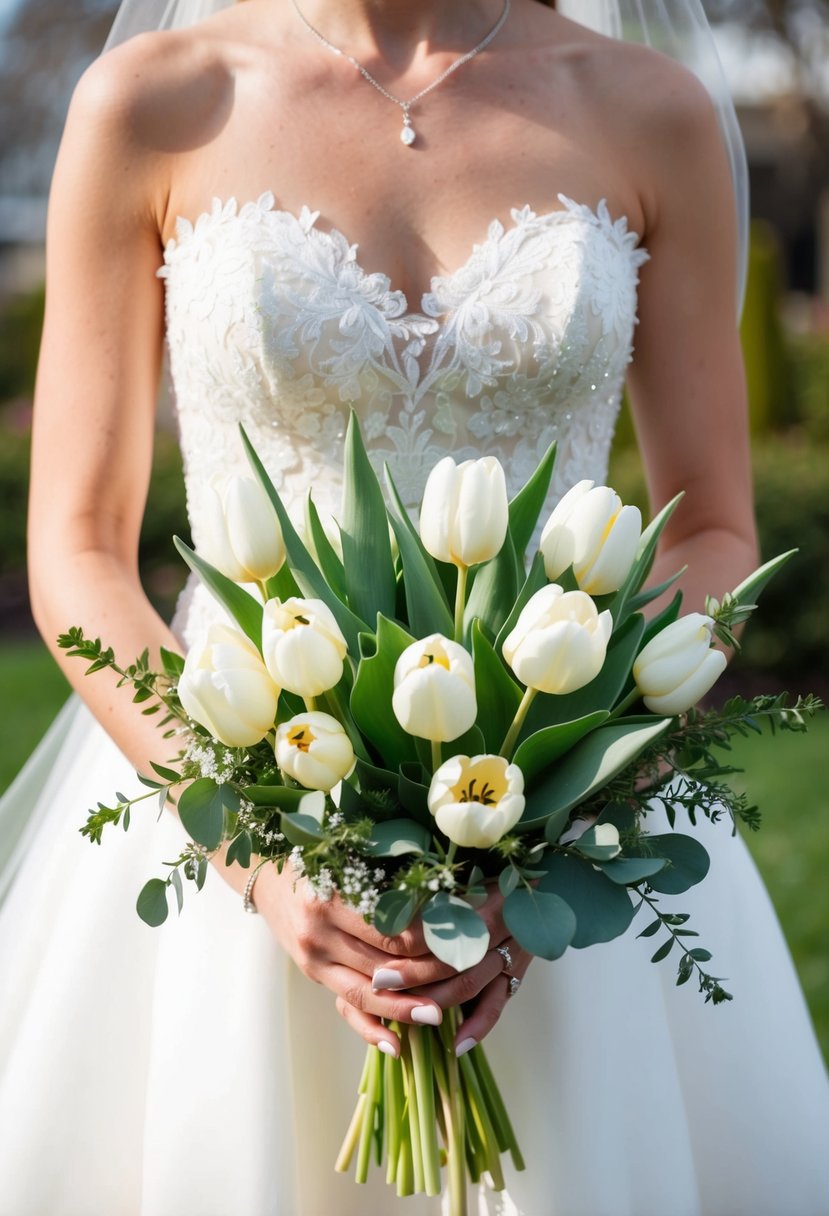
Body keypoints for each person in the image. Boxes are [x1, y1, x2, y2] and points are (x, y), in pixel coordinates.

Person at [0, 1, 827, 1212]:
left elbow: (711, 533)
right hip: (234, 788)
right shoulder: (153, 101)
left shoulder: (652, 111)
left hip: (561, 820)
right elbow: (76, 543)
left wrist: (560, 805)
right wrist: (255, 848)